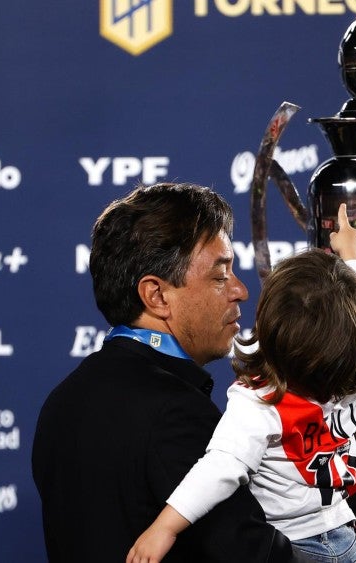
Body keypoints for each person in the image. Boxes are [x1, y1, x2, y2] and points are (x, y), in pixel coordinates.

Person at [31, 182, 303, 562]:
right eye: (220, 276)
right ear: (156, 296)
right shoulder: (177, 413)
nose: (240, 290)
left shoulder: (62, 401)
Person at [127, 203, 356, 563]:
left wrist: (165, 527)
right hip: (344, 541)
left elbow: (219, 470)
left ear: (270, 324)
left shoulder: (261, 402)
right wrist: (354, 257)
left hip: (294, 548)